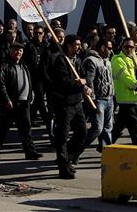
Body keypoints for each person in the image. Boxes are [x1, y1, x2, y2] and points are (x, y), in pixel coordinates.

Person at [0, 42, 41, 161]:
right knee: (3, 129)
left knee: (26, 129)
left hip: (24, 102)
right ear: (10, 51)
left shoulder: (23, 65)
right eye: (16, 50)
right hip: (11, 103)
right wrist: (6, 99)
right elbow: (1, 84)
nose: (18, 53)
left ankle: (30, 152)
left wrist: (30, 94)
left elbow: (28, 81)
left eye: (20, 51)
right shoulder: (4, 65)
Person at [49, 35, 90, 179]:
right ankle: (63, 167)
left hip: (77, 103)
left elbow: (85, 76)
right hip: (64, 104)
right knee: (62, 136)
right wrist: (78, 84)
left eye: (80, 44)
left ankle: (67, 156)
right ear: (69, 45)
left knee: (82, 132)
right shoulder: (61, 60)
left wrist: (86, 84)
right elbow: (63, 82)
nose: (79, 47)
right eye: (76, 45)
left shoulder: (77, 60)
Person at [111, 37, 137, 146]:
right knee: (134, 123)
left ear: (135, 47)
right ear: (121, 47)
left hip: (134, 97)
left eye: (131, 47)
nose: (129, 49)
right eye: (126, 46)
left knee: (120, 124)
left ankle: (105, 145)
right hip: (125, 97)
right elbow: (126, 78)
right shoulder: (117, 60)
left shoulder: (135, 58)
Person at [81, 38, 115, 152]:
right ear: (102, 48)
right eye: (109, 48)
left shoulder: (108, 61)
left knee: (108, 129)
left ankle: (107, 154)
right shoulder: (91, 60)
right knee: (97, 129)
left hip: (109, 98)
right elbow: (89, 81)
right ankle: (75, 150)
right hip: (99, 100)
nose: (111, 50)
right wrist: (93, 98)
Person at [24, 25, 49, 127]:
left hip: (45, 77)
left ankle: (29, 118)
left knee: (38, 100)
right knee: (40, 99)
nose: (37, 35)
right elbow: (28, 62)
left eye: (40, 33)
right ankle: (47, 121)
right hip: (34, 77)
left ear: (43, 34)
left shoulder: (46, 46)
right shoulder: (29, 46)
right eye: (36, 33)